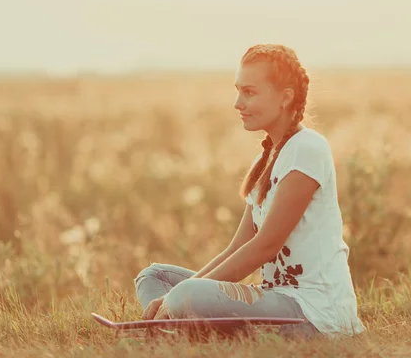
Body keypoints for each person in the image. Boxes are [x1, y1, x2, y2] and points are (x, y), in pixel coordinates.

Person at [133, 44, 365, 338]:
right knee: (155, 276)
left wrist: (180, 297)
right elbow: (236, 248)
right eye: (238, 90)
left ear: (285, 98)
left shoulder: (308, 148)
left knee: (183, 296)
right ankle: (186, 328)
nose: (237, 103)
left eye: (249, 92)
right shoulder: (266, 160)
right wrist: (179, 294)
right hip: (275, 300)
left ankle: (184, 329)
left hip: (313, 312)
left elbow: (265, 246)